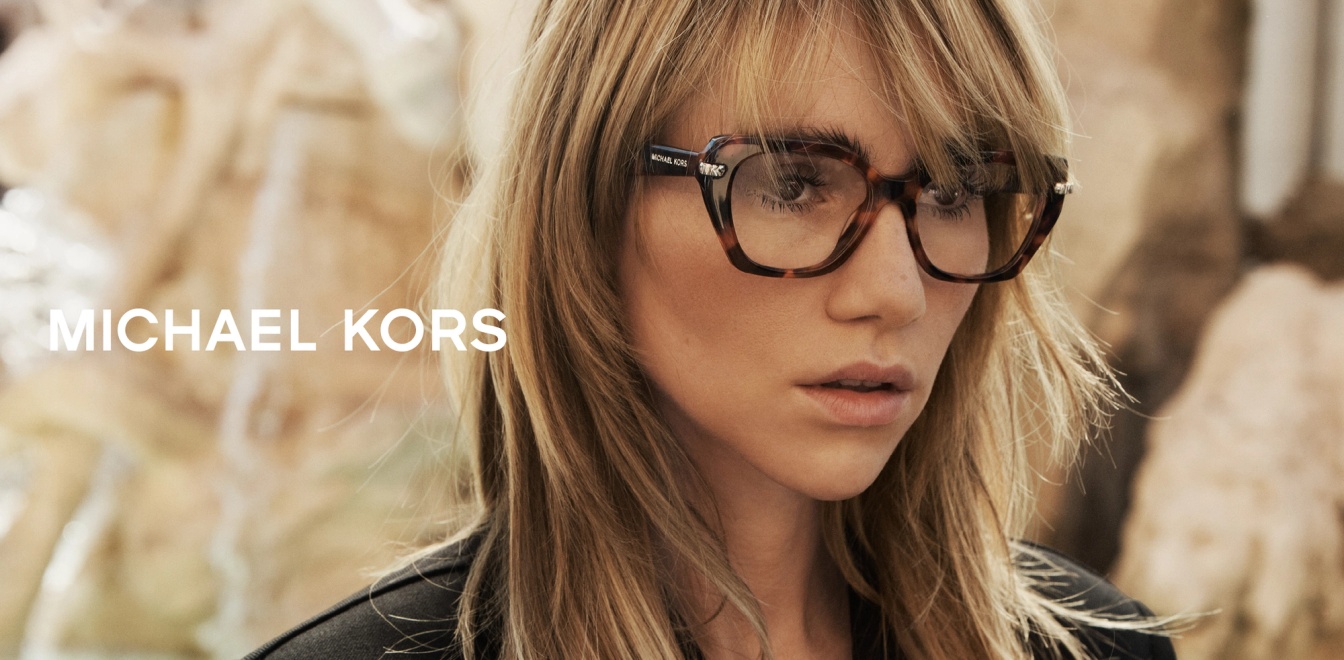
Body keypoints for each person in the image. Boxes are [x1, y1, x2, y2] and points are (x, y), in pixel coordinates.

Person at [248, 0, 1178, 658]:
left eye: (955, 189)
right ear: (586, 209)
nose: (897, 290)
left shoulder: (1101, 649)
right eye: (792, 183)